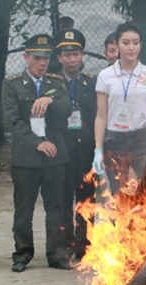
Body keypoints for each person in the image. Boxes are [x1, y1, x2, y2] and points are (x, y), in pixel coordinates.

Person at [2, 34, 73, 272]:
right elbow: (12, 121)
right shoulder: (12, 83)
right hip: (26, 157)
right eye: (37, 58)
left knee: (56, 207)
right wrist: (37, 143)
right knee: (24, 208)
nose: (42, 63)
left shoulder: (56, 82)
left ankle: (57, 253)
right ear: (26, 57)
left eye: (46, 58)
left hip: (54, 155)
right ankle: (22, 253)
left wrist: (48, 98)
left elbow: (66, 109)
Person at [92, 23, 146, 194]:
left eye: (135, 43)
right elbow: (101, 116)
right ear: (117, 45)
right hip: (116, 139)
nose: (131, 48)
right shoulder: (105, 76)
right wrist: (98, 149)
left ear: (140, 45)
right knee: (120, 194)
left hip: (142, 138)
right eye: (126, 43)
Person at [56, 29, 96, 260]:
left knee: (87, 201)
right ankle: (65, 245)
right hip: (61, 152)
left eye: (76, 54)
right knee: (61, 201)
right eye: (67, 54)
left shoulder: (90, 83)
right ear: (60, 58)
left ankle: (84, 247)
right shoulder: (52, 82)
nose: (72, 58)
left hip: (85, 152)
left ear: (82, 56)